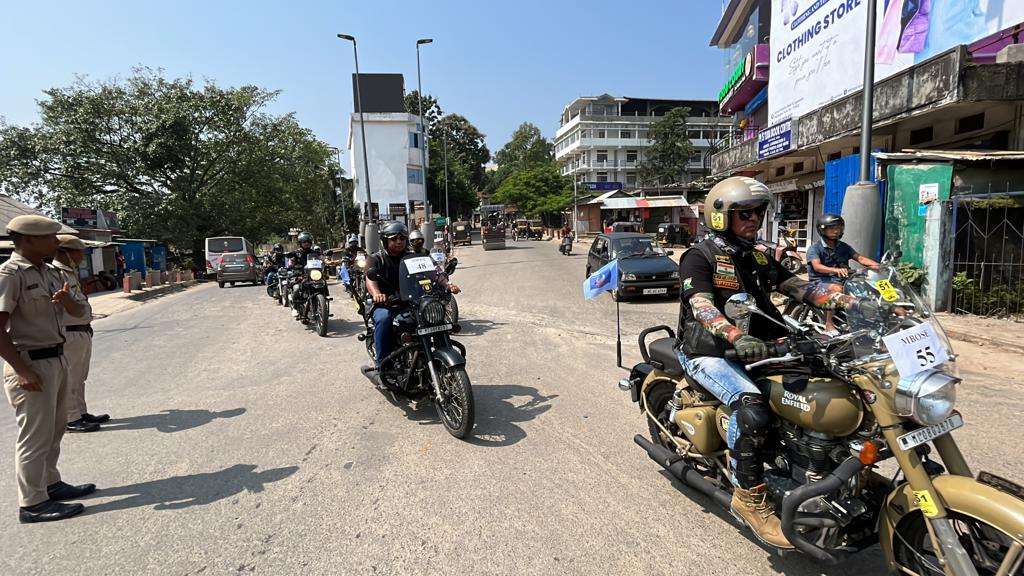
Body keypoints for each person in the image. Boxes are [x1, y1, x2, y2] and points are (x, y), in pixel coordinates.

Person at [675, 177, 874, 548]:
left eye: (758, 212)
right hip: (708, 351)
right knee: (751, 409)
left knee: (839, 383)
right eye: (744, 213)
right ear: (720, 217)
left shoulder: (757, 255)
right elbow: (701, 306)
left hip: (762, 347)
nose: (754, 219)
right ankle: (748, 498)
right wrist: (734, 334)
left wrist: (854, 303)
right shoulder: (699, 256)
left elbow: (803, 288)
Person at [0, 215, 95, 523]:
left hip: (57, 358)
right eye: (50, 237)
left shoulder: (51, 273)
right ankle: (32, 503)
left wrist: (67, 301)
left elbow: (80, 311)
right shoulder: (10, 274)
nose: (56, 243)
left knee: (55, 430)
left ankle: (51, 484)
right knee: (34, 436)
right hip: (29, 364)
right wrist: (21, 370)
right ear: (27, 240)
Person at [51, 235, 108, 433]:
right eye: (78, 252)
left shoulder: (69, 272)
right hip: (69, 333)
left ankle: (81, 412)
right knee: (70, 377)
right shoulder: (55, 273)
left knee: (80, 376)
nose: (81, 256)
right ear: (64, 252)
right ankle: (71, 418)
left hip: (81, 330)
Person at [807, 214, 880, 335]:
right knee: (837, 289)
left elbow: (860, 258)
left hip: (842, 279)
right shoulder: (815, 248)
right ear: (822, 230)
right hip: (820, 281)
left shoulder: (843, 246)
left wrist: (879, 266)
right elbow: (817, 266)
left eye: (838, 228)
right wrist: (835, 270)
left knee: (867, 289)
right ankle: (829, 325)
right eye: (832, 228)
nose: (836, 231)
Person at [362, 222, 409, 386]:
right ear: (385, 241)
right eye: (394, 238)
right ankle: (383, 364)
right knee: (384, 319)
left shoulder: (410, 257)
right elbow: (370, 278)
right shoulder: (376, 259)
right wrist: (376, 294)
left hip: (407, 302)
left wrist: (443, 284)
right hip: (384, 304)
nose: (399, 241)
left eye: (402, 238)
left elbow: (430, 274)